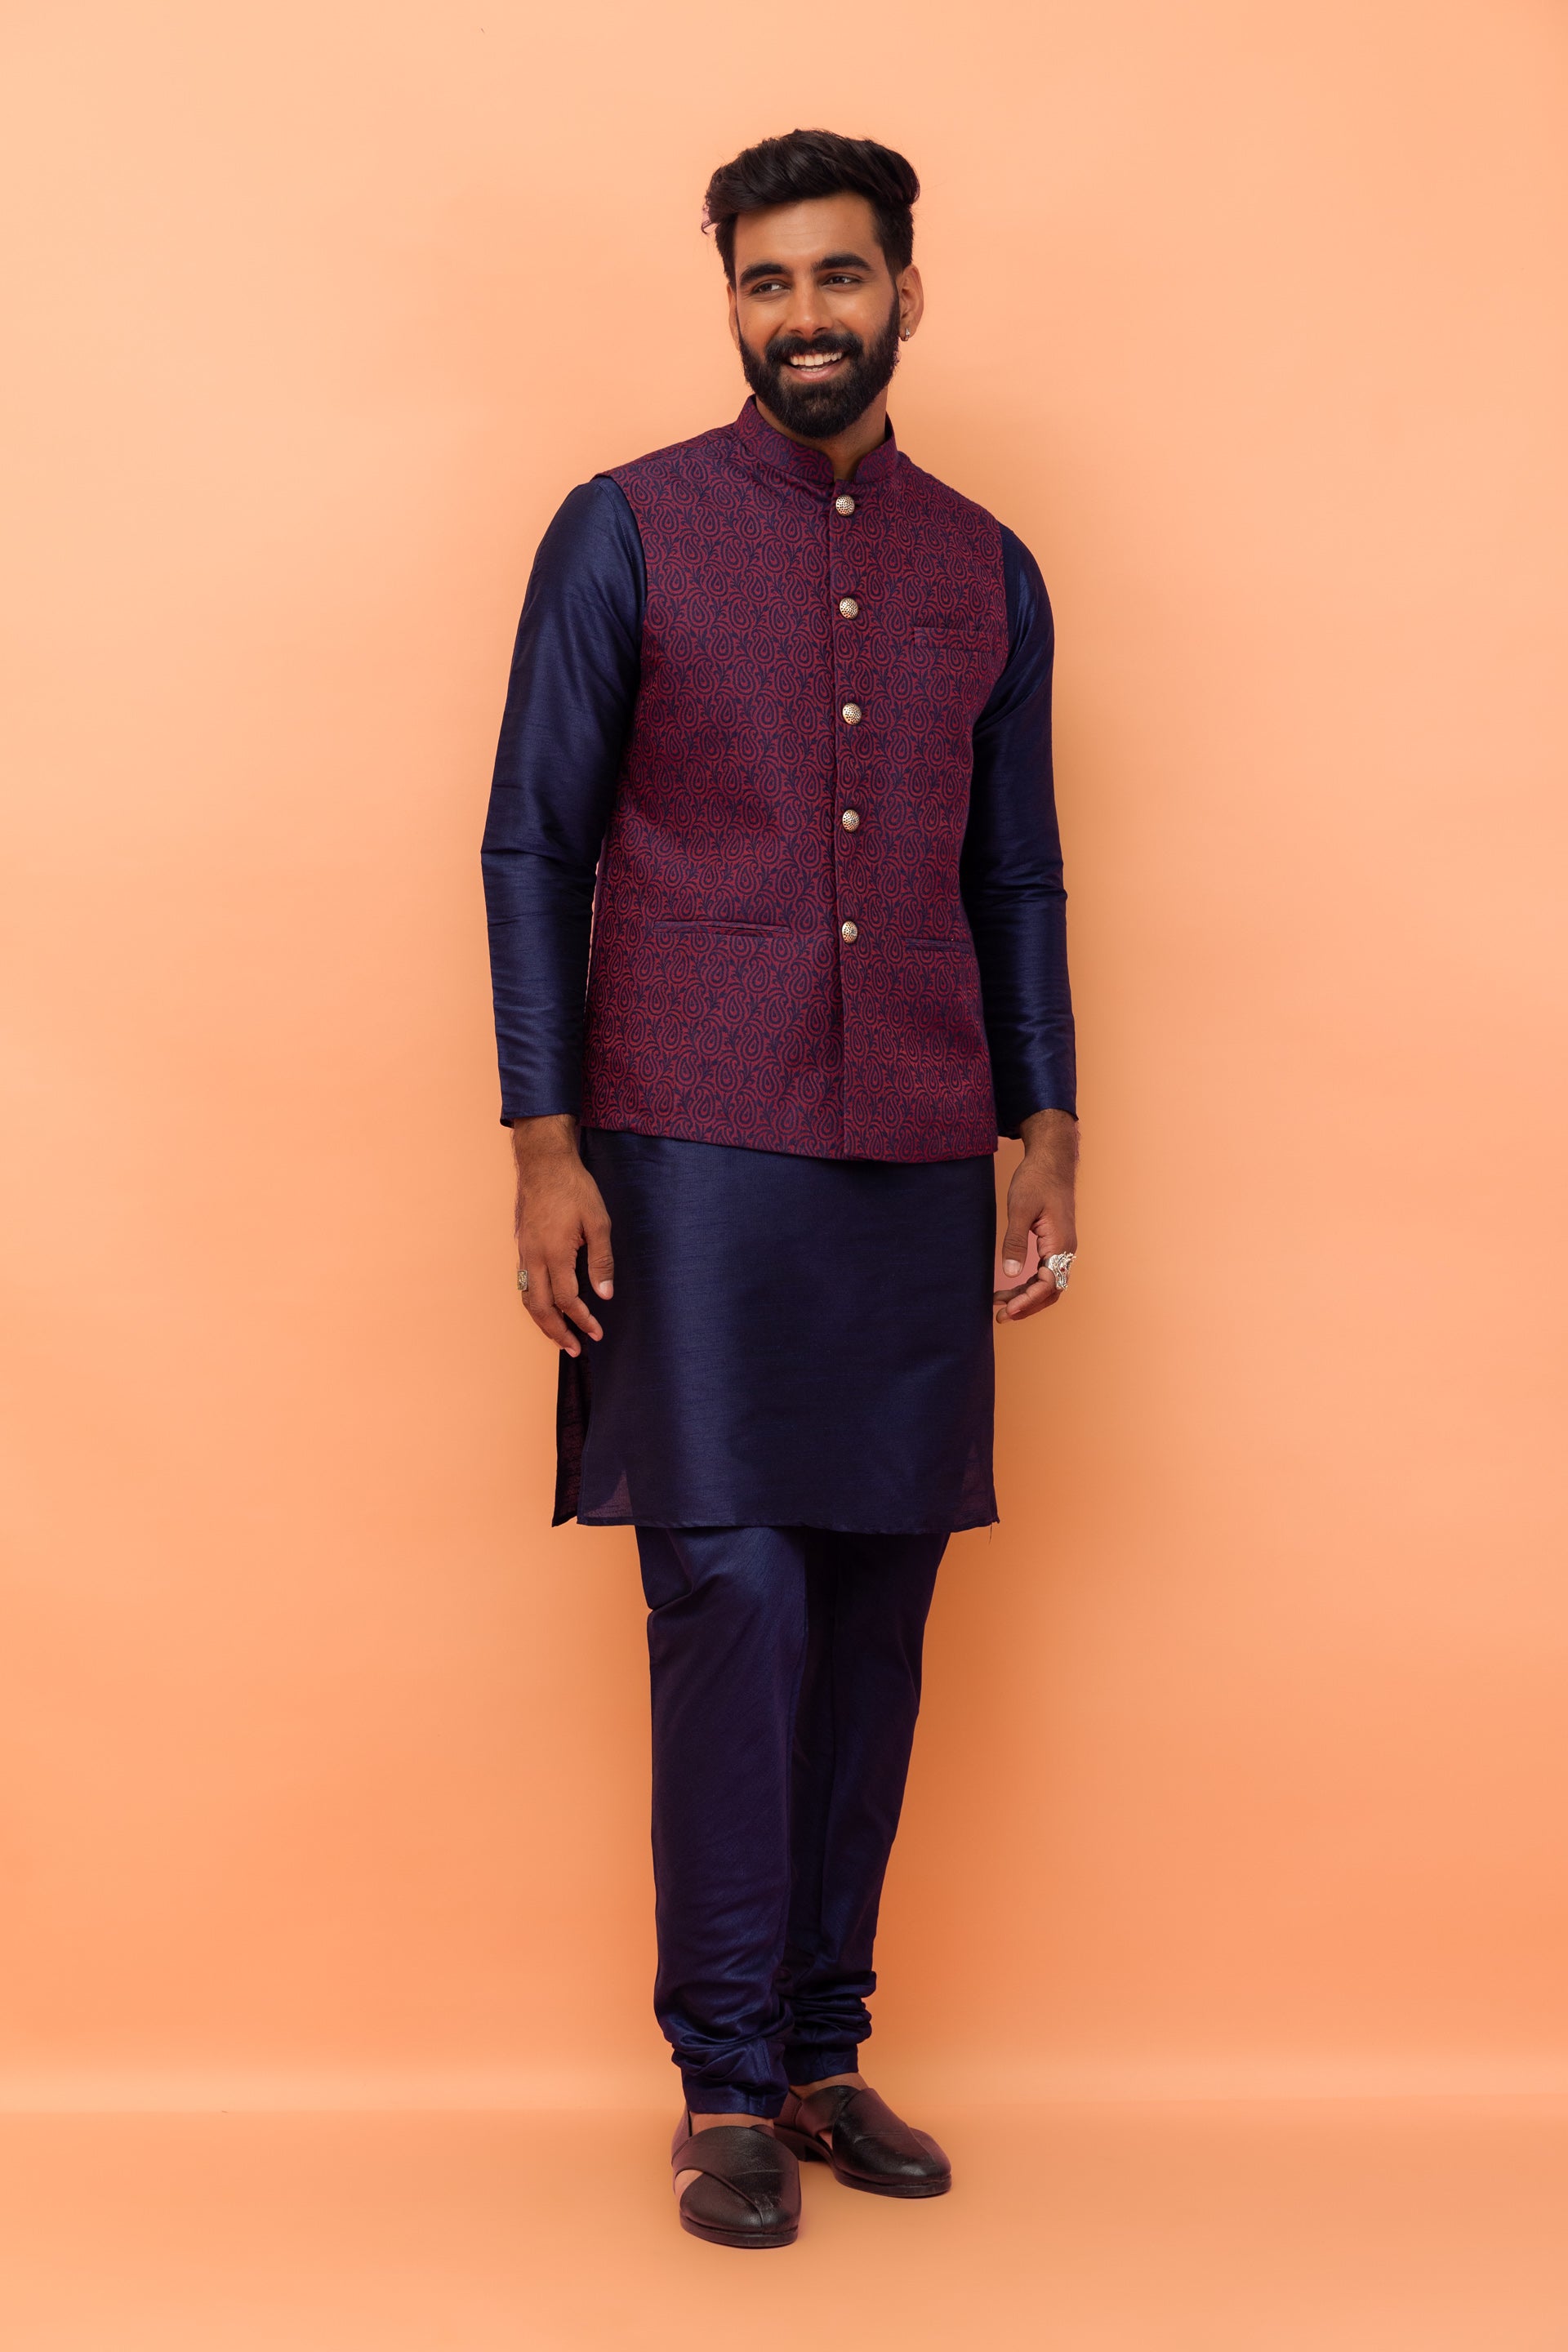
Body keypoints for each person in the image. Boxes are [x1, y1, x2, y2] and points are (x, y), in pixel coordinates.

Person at [481, 128, 1077, 2250]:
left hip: (915, 1147)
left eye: (837, 277)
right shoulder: (626, 530)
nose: (802, 315)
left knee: (882, 1604)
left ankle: (826, 2051)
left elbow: (1015, 868)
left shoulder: (987, 567)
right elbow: (534, 843)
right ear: (730, 301)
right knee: (731, 1593)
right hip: (691, 1148)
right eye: (765, 281)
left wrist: (1048, 1124)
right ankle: (724, 2083)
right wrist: (546, 1145)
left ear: (906, 291)